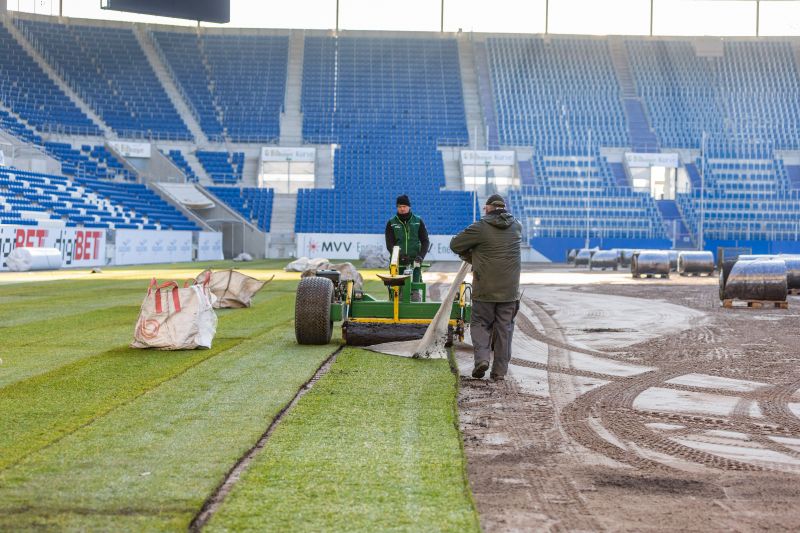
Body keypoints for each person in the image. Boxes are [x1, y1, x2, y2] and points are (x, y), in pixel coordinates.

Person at [450, 194, 522, 381]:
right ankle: (499, 372)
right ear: (504, 208)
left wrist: (473, 256)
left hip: (485, 288)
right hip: (510, 291)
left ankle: (482, 359)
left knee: (480, 324)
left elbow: (455, 244)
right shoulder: (517, 226)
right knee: (504, 330)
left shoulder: (481, 227)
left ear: (488, 208)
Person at [385, 195, 430, 294]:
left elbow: (425, 241)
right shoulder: (391, 223)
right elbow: (389, 244)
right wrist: (399, 257)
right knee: (396, 292)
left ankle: (416, 308)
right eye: (400, 206)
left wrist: (421, 256)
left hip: (415, 264)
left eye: (404, 206)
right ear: (397, 208)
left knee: (415, 291)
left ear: (409, 207)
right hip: (396, 264)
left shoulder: (418, 221)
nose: (402, 208)